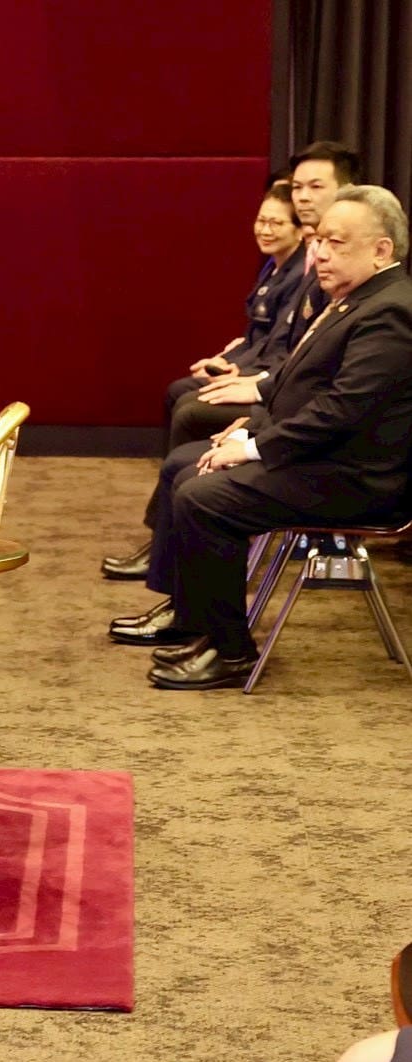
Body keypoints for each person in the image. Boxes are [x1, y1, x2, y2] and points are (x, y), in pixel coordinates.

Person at [108, 186, 412, 689]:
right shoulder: (356, 300)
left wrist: (252, 448)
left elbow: (341, 411)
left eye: (336, 243)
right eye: (320, 241)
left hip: (356, 479)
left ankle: (230, 652)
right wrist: (252, 424)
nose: (321, 254)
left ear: (381, 250)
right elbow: (298, 383)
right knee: (187, 466)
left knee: (205, 497)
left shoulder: (391, 311)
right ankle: (196, 622)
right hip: (325, 458)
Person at [103, 141, 362, 581]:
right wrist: (246, 374)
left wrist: (258, 390)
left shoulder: (353, 279)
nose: (302, 196)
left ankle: (172, 554)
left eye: (315, 186)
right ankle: (167, 551)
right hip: (286, 400)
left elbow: (323, 376)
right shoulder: (306, 262)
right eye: (297, 187)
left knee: (192, 418)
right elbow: (285, 342)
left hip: (320, 441)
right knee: (188, 417)